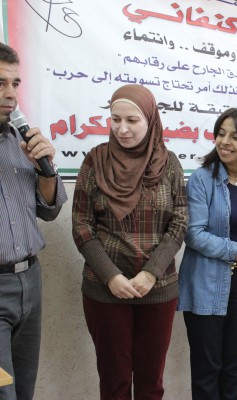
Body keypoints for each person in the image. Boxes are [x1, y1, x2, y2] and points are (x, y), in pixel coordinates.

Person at [71, 84, 188, 400]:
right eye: (115, 119)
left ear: (150, 120)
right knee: (115, 383)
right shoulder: (96, 161)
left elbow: (179, 222)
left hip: (158, 289)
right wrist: (111, 276)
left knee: (151, 384)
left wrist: (151, 273)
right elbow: (81, 224)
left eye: (132, 120)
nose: (122, 129)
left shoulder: (169, 164)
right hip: (105, 290)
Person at [177, 108, 237, 399]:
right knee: (207, 370)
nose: (224, 141)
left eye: (235, 137)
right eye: (221, 133)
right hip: (205, 285)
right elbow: (194, 234)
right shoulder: (202, 179)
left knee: (231, 368)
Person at [0, 42, 68, 400]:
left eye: (15, 83)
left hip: (29, 281)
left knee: (24, 389)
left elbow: (50, 210)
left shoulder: (20, 140)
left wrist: (45, 169)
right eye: (0, 83)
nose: (11, 94)